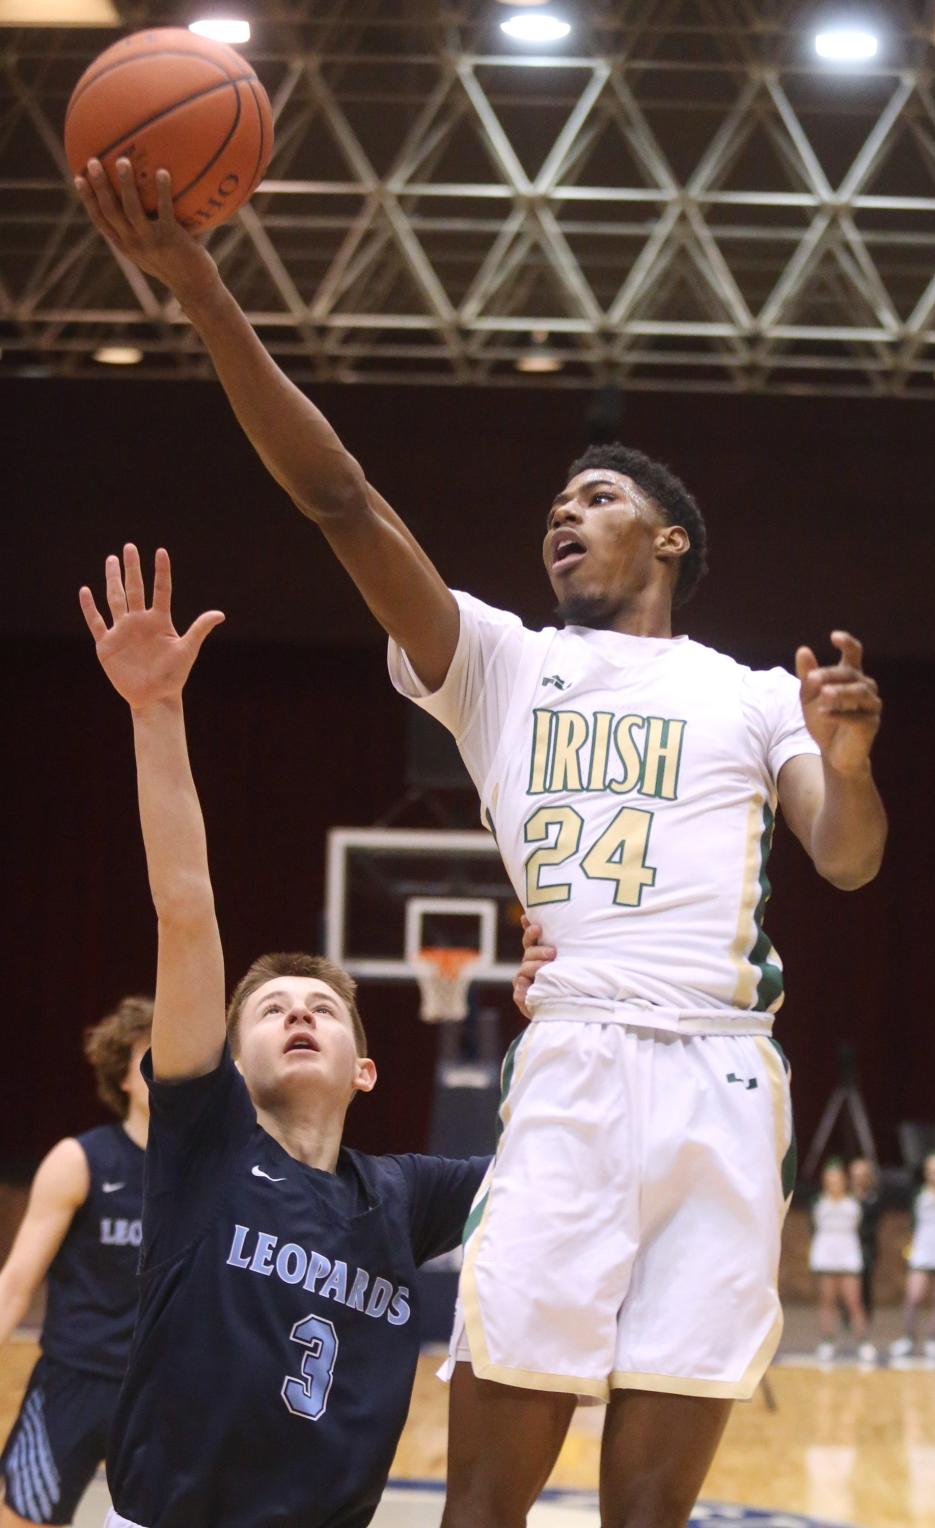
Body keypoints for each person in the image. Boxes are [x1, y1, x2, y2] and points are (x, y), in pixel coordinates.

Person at [75, 163, 888, 1528]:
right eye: (554, 505)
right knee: (483, 1505)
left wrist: (850, 761)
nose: (563, 516)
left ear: (668, 536)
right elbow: (341, 499)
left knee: (651, 1511)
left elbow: (850, 858)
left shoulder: (752, 694)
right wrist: (206, 297)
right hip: (572, 1071)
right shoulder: (497, 666)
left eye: (596, 498)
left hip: (729, 1087)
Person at [77, 545, 488, 1528]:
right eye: (270, 1009)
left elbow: (559, 1152)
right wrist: (156, 713)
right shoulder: (206, 1141)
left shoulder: (404, 1196)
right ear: (230, 1059)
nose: (298, 1011)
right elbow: (185, 907)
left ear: (367, 1066)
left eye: (322, 1008)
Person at [0, 1000, 151, 1527]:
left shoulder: (211, 1172)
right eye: (151, 1054)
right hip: (75, 1379)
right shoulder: (80, 1160)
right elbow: (17, 1281)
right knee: (27, 1519)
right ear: (123, 1076)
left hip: (162, 1390)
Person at [890, 1151, 935, 1361]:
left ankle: (933, 1339)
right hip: (923, 1247)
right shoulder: (919, 1195)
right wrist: (911, 1246)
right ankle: (909, 1338)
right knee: (913, 1296)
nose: (934, 1175)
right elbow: (912, 1223)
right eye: (930, 1171)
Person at [808, 1160, 876, 1365]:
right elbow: (812, 1227)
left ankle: (863, 1341)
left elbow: (863, 1226)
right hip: (826, 1254)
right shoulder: (818, 1203)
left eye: (837, 1180)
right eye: (829, 1181)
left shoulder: (853, 1203)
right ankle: (827, 1341)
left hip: (848, 1255)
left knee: (854, 1301)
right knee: (827, 1301)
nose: (833, 1184)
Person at [848, 1156, 882, 1319]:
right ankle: (847, 1316)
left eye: (862, 1175)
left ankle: (865, 1317)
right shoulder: (846, 1197)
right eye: (855, 1175)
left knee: (865, 1284)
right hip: (845, 1247)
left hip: (866, 1247)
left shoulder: (873, 1199)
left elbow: (873, 1224)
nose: (858, 1179)